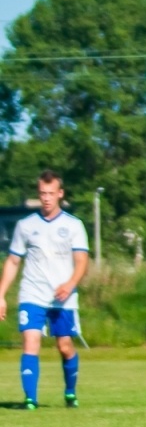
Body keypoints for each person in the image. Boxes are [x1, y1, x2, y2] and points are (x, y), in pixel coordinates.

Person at [0, 171, 88, 409]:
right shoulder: (26, 225)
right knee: (31, 342)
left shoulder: (73, 225)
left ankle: (70, 392)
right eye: (42, 193)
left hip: (63, 297)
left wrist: (70, 284)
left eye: (51, 193)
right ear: (38, 194)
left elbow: (82, 261)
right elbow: (13, 261)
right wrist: (1, 295)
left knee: (64, 346)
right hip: (33, 294)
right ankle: (30, 399)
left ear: (60, 194)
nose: (46, 198)